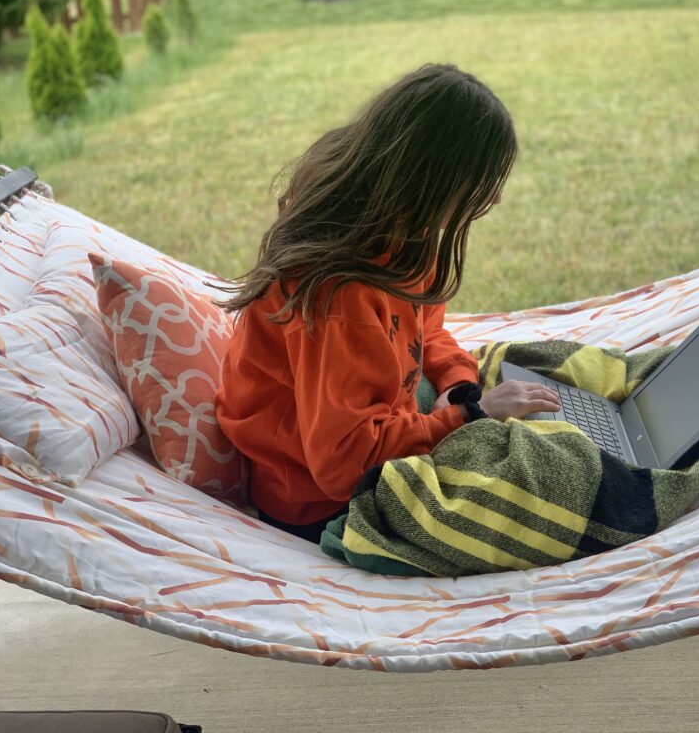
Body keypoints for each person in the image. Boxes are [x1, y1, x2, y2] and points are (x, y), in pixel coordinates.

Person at [211, 63, 561, 542]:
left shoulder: (400, 229)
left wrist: (459, 386)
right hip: (322, 500)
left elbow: (425, 331)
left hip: (379, 425)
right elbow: (342, 463)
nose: (495, 199)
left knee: (540, 398)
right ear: (433, 177)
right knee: (540, 489)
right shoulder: (340, 295)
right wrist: (470, 418)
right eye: (481, 182)